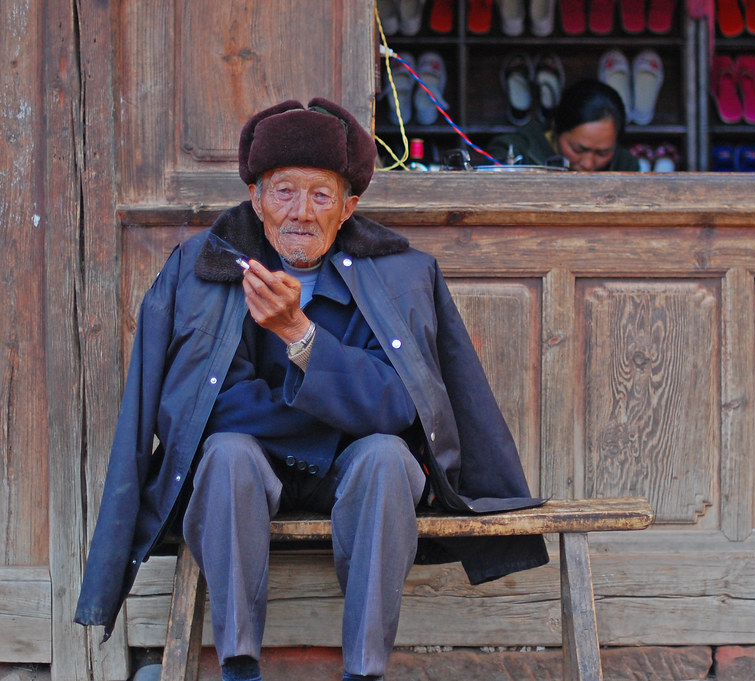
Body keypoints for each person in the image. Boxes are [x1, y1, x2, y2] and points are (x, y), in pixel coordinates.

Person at [74, 98, 549, 681]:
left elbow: (400, 405)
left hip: (352, 471)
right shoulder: (200, 267)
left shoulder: (402, 273)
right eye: (283, 192)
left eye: (321, 195)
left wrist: (300, 337)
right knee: (226, 455)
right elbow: (200, 411)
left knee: (386, 458)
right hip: (249, 474)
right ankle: (240, 666)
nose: (301, 212)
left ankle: (365, 671)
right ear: (256, 199)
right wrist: (338, 408)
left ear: (349, 207)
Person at [486, 79, 641, 171]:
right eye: (578, 149)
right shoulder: (515, 151)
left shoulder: (625, 165)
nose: (588, 164)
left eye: (602, 153)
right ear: (556, 127)